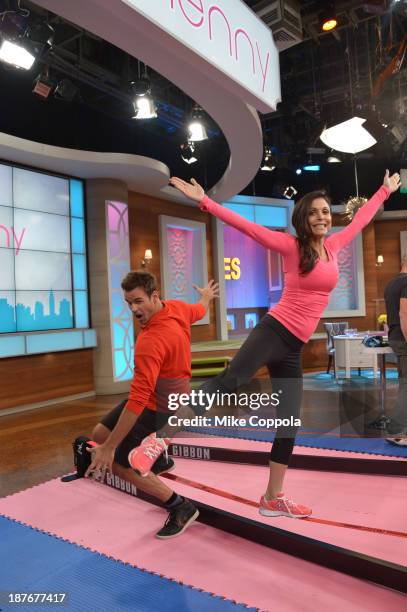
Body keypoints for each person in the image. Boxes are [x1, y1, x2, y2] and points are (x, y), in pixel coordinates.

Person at [129, 170, 401, 518]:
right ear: (303, 218)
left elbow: (360, 220)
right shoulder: (291, 247)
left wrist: (384, 191)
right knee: (229, 382)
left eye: (325, 212)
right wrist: (206, 202)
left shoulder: (333, 247)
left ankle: (273, 497)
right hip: (274, 330)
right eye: (314, 212)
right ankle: (158, 441)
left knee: (289, 423)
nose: (322, 217)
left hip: (293, 346)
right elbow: (250, 229)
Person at [85, 270, 219, 538]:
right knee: (100, 433)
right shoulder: (176, 308)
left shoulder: (150, 341)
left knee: (120, 463)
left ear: (154, 296)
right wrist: (206, 298)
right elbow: (198, 311)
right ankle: (159, 458)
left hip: (163, 409)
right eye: (128, 303)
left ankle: (180, 507)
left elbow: (136, 400)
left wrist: (110, 450)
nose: (133, 309)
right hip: (160, 399)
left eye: (138, 301)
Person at [384, 252, 407, 446]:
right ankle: (397, 432)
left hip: (395, 337)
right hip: (404, 339)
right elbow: (404, 314)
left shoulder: (392, 283)